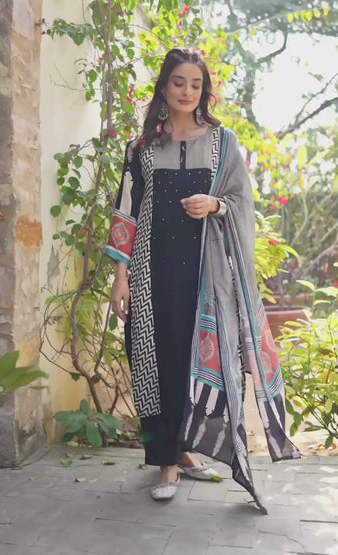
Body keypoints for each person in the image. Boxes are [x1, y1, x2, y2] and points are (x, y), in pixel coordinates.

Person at [105, 48, 300, 513]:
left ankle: (186, 450)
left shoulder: (222, 142)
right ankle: (166, 461)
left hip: (205, 273)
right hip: (151, 271)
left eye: (196, 84)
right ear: (164, 86)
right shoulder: (142, 147)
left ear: (204, 90)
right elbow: (126, 212)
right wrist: (120, 277)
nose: (187, 92)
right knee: (154, 359)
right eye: (179, 82)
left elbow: (242, 201)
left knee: (195, 358)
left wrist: (215, 205)